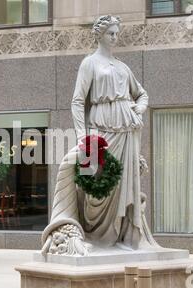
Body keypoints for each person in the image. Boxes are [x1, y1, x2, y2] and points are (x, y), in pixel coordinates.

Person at [71, 15, 150, 249]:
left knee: (125, 181)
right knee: (97, 182)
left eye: (117, 33)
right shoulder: (89, 63)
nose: (115, 37)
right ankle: (93, 234)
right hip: (100, 129)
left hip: (127, 129)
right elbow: (77, 101)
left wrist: (139, 107)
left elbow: (142, 94)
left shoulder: (123, 67)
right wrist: (81, 135)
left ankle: (123, 235)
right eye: (110, 33)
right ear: (99, 35)